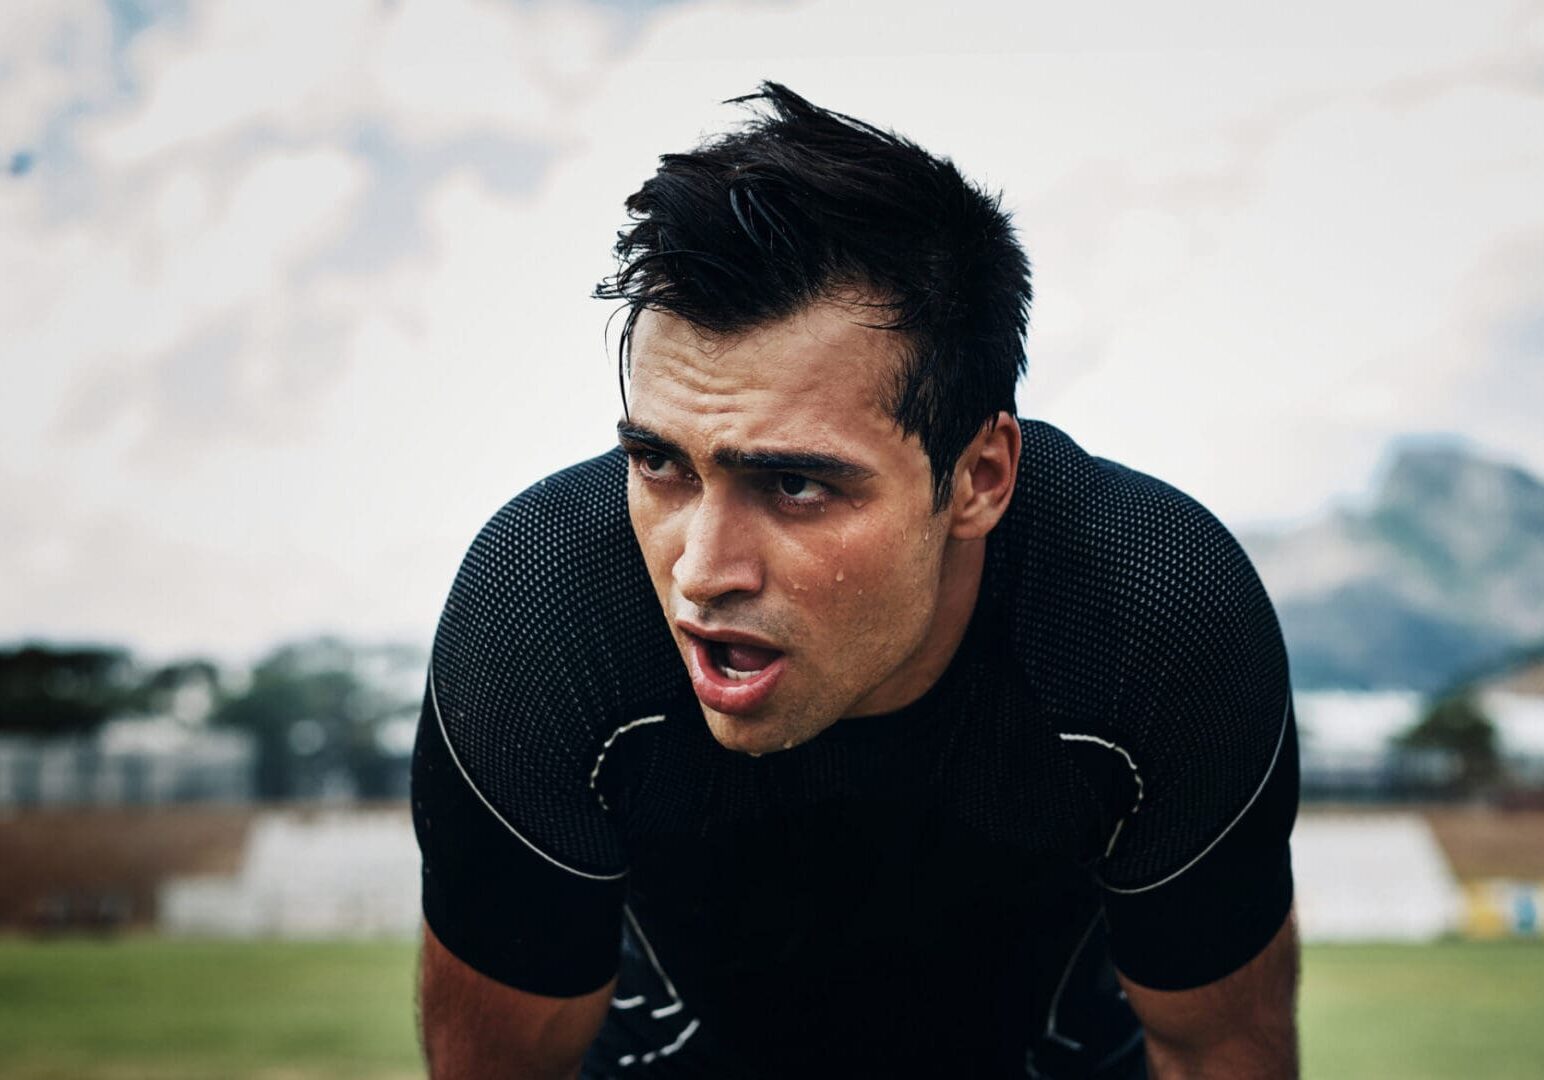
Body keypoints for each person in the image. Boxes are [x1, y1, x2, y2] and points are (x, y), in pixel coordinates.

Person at [412, 82, 1300, 1080]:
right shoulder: (541, 615)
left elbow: (1216, 1051)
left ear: (977, 478)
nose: (700, 574)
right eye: (661, 462)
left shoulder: (1152, 616)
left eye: (793, 484)